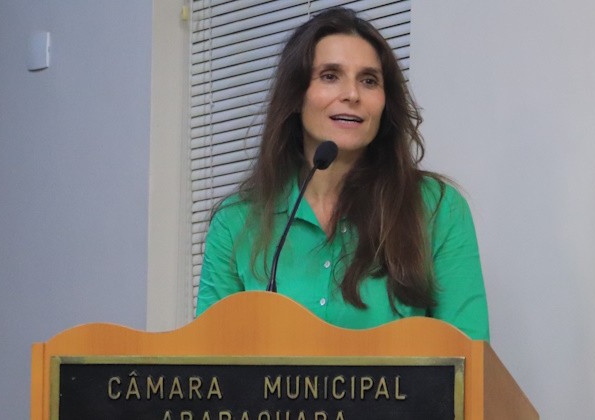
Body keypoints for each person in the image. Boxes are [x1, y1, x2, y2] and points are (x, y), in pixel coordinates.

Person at [196, 7, 489, 341]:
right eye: (330, 76)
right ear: (296, 95)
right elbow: (206, 360)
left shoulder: (437, 209)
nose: (352, 94)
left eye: (369, 80)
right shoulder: (236, 222)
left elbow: (469, 357)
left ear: (385, 102)